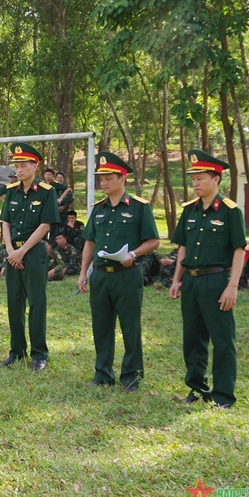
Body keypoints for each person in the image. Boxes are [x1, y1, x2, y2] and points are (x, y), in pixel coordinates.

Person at [77, 152, 160, 392]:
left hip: (127, 275)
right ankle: (103, 373)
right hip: (101, 276)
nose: (103, 183)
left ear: (122, 178)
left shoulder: (139, 208)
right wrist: (84, 273)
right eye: (100, 178)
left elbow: (153, 241)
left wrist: (133, 254)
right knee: (101, 326)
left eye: (108, 178)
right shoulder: (98, 209)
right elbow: (90, 242)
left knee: (130, 326)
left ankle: (131, 376)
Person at [170, 149, 246, 409]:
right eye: (193, 179)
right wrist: (176, 279)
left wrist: (232, 286)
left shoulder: (229, 211)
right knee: (192, 338)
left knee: (222, 340)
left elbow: (239, 249)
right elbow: (183, 246)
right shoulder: (189, 210)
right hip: (191, 282)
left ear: (216, 179)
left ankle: (223, 396)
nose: (196, 183)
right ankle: (197, 388)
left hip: (217, 282)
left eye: (201, 178)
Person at [0, 143, 60, 370]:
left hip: (33, 253)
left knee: (36, 303)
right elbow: (5, 222)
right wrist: (10, 251)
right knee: (14, 302)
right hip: (12, 252)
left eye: (23, 165)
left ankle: (39, 353)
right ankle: (16, 350)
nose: (19, 169)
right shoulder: (11, 191)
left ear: (35, 166)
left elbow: (45, 226)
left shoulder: (47, 192)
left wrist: (22, 251)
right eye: (16, 165)